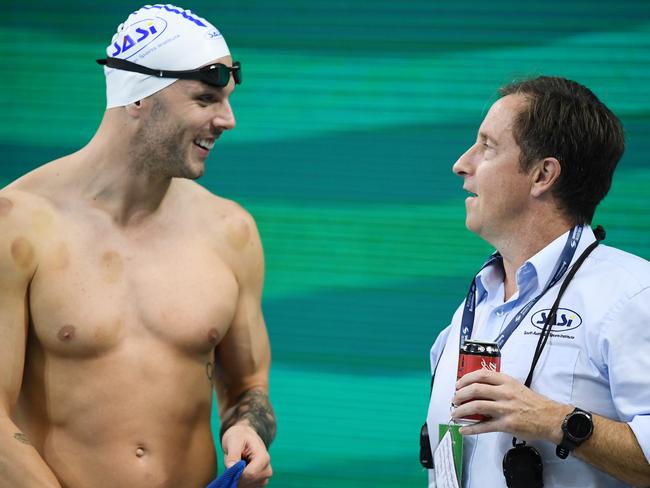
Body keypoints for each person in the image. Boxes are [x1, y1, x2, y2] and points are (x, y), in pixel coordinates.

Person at [0, 5, 275, 487]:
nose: (227, 120)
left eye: (227, 100)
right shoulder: (18, 226)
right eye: (207, 98)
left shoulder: (231, 231)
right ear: (138, 98)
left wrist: (246, 427)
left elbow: (247, 384)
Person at [423, 76, 650, 487]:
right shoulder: (477, 302)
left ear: (543, 175)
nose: (462, 163)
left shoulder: (633, 296)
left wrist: (556, 421)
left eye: (487, 146)